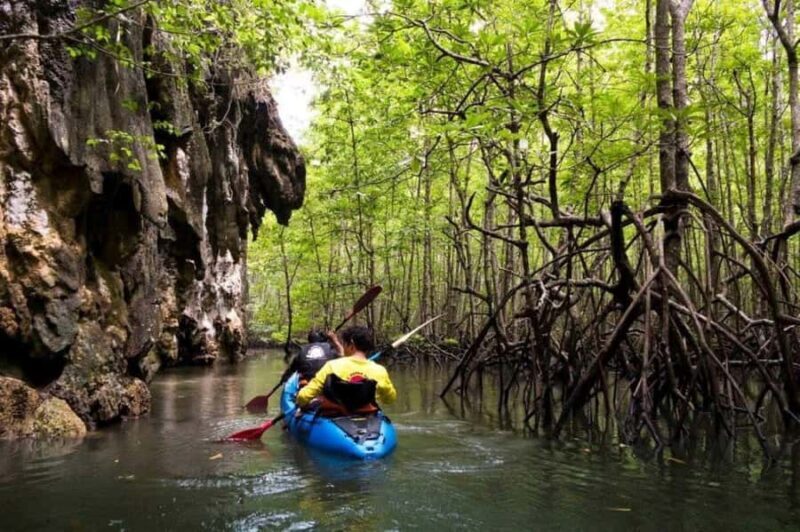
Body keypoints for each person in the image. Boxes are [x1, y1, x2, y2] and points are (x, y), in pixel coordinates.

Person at [296, 325, 396, 414]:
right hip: (366, 415)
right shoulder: (379, 370)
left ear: (351, 344)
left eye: (344, 343)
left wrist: (301, 402)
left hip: (336, 417)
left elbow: (303, 397)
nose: (343, 346)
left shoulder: (332, 366)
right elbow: (390, 399)